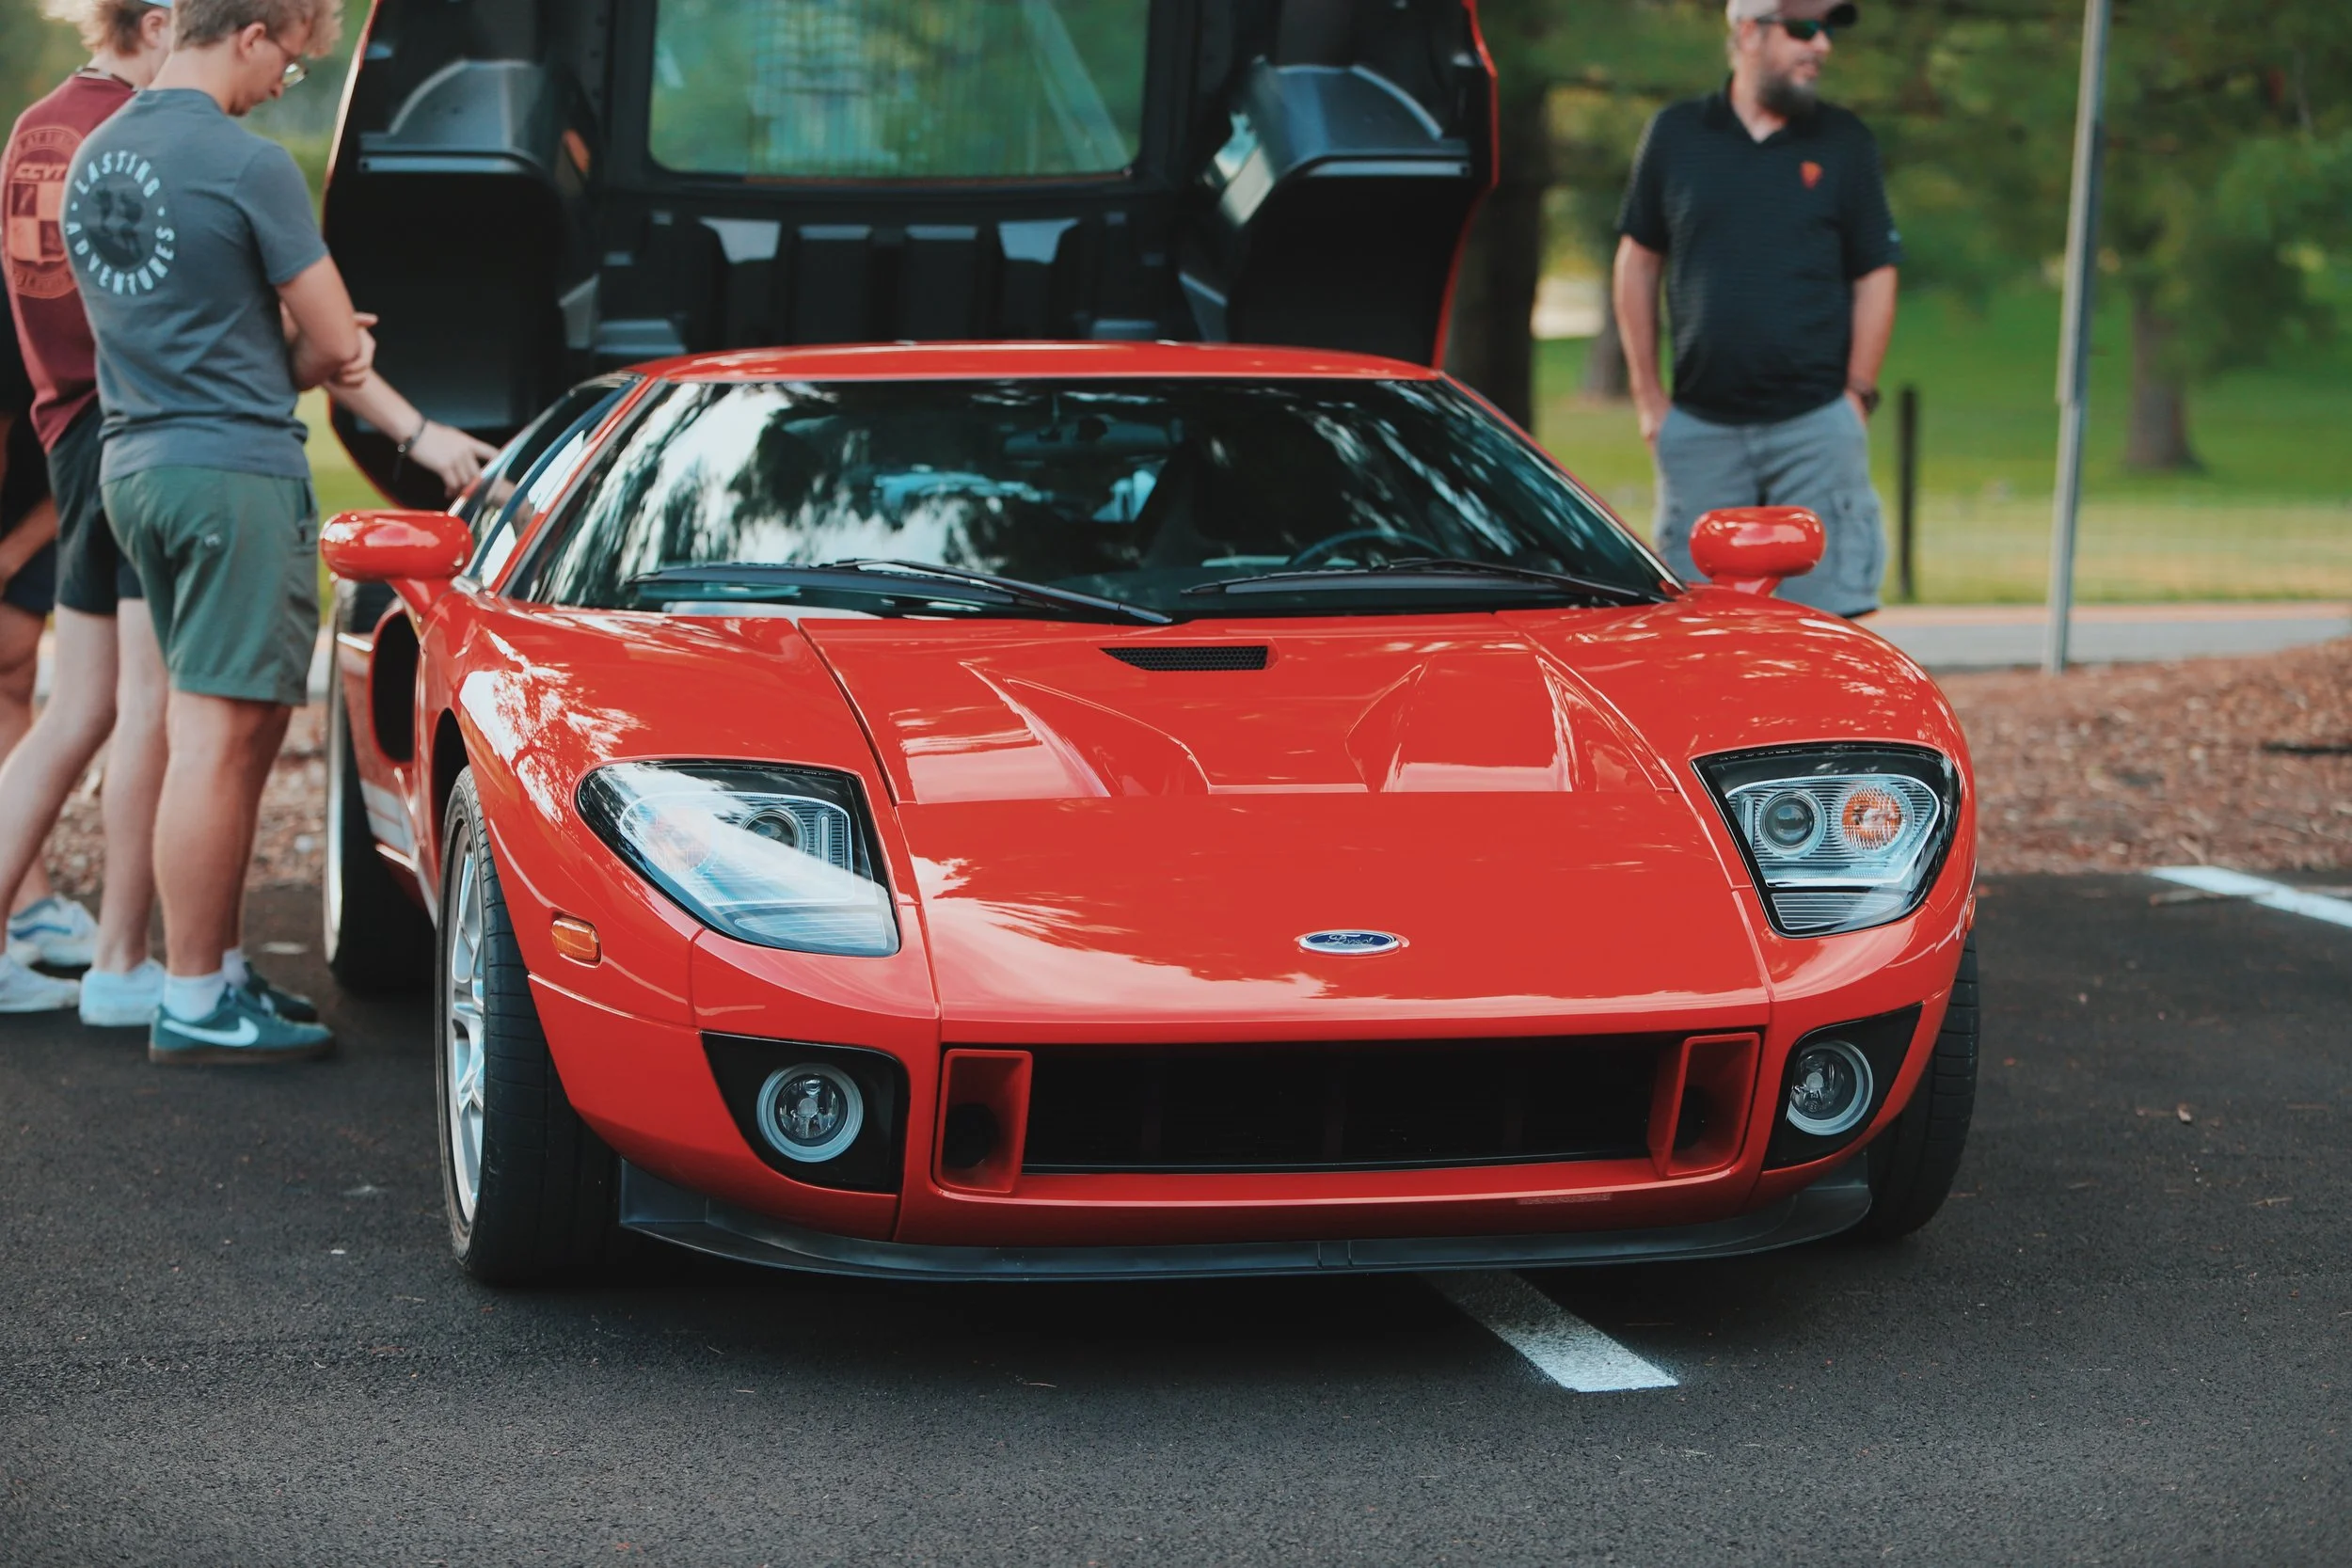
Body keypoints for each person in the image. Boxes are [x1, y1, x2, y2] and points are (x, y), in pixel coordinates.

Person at [69, 0, 490, 1064]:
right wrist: (328, 351)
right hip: (229, 477)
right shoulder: (246, 165)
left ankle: (206, 965)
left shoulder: (97, 155)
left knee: (221, 730)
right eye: (292, 62)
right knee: (220, 736)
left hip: (136, 470)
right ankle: (197, 994)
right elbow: (337, 340)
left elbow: (172, 324)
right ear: (251, 31)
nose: (282, 85)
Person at [0, 0, 176, 1021]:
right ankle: (127, 958)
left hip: (62, 423)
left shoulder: (33, 127)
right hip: (134, 424)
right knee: (143, 704)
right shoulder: (135, 138)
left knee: (84, 704)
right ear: (155, 24)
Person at [1612, 0, 1901, 619]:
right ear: (1747, 31)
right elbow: (1637, 263)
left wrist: (1856, 396)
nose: (1820, 46)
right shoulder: (1676, 134)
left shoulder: (1846, 142)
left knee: (1828, 626)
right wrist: (1647, 397)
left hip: (1815, 427)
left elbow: (1876, 272)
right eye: (1802, 29)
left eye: (1826, 31)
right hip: (1700, 429)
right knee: (1696, 624)